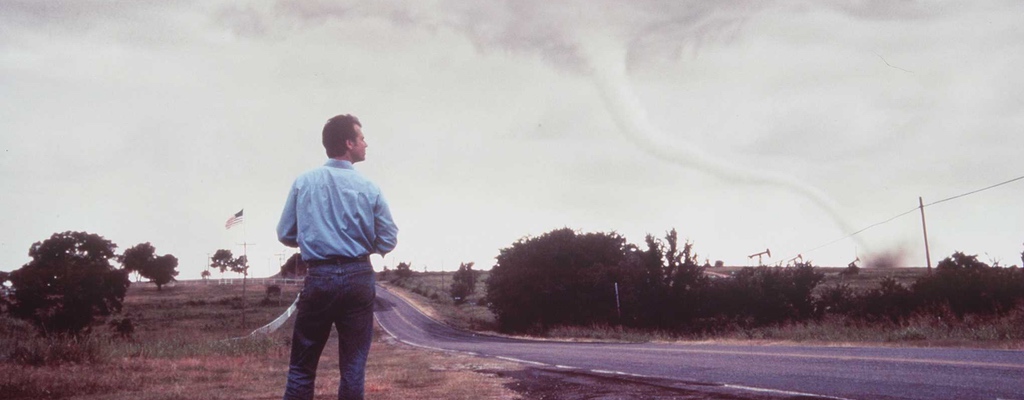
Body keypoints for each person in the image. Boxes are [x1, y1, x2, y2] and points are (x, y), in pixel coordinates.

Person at [277, 113, 399, 400]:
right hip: (358, 277)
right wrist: (360, 243)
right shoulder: (370, 188)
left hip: (319, 275)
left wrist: (314, 238)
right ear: (348, 143)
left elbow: (285, 233)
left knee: (302, 367)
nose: (366, 143)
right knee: (353, 367)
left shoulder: (304, 182)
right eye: (362, 138)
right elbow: (388, 238)